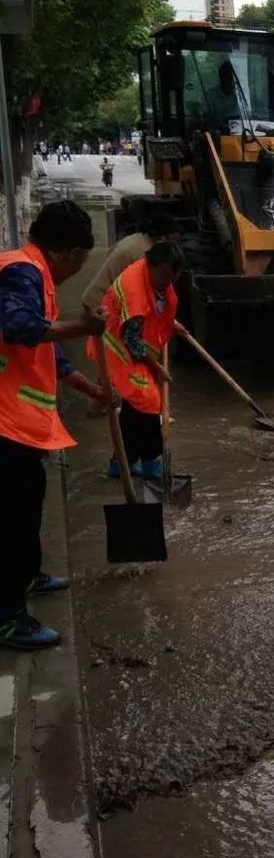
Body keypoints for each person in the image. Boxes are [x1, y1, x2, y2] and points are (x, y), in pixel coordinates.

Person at [0, 202, 107, 649]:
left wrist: (94, 391)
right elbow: (19, 327)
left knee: (28, 507)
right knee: (10, 518)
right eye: (83, 258)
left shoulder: (33, 274)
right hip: (5, 423)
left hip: (19, 424)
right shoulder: (23, 273)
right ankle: (7, 617)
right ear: (66, 252)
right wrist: (81, 325)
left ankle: (27, 575)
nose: (81, 268)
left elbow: (51, 355)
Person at [89, 242, 183, 480]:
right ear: (149, 266)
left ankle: (122, 463)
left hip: (133, 343)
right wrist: (157, 368)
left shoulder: (155, 278)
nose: (164, 283)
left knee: (135, 404)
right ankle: (151, 462)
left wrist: (171, 323)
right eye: (161, 277)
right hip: (117, 346)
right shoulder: (134, 290)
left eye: (170, 279)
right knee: (148, 400)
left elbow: (156, 307)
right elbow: (131, 339)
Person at [81, 214, 181, 312]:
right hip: (102, 306)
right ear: (162, 238)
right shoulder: (146, 255)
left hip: (93, 297)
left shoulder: (136, 238)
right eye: (174, 242)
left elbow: (110, 251)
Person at [204, 60, 239, 132]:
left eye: (235, 79)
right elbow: (206, 118)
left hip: (239, 134)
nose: (233, 82)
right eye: (229, 78)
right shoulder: (211, 95)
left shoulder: (240, 97)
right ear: (222, 78)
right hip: (217, 134)